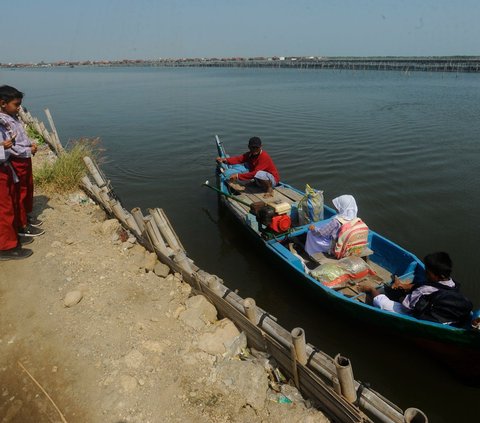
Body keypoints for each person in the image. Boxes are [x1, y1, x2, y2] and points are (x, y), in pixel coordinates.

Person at [360, 252, 473, 325]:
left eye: (428, 273)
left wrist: (400, 293)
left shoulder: (424, 290)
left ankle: (370, 290)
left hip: (417, 313)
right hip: (444, 316)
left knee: (384, 304)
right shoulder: (452, 283)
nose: (426, 274)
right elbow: (430, 287)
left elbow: (406, 305)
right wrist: (404, 286)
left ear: (440, 276)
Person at [0, 85, 44, 237]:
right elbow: (10, 147)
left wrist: (30, 144)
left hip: (24, 158)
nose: (19, 108)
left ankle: (24, 216)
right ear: (3, 103)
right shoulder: (3, 122)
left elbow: (20, 137)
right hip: (16, 160)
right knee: (18, 192)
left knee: (26, 188)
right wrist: (27, 150)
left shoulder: (13, 118)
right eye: (16, 104)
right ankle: (21, 224)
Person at [0, 129, 33, 260]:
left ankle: (12, 236)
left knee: (10, 204)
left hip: (4, 165)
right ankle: (5, 247)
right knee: (4, 209)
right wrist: (3, 147)